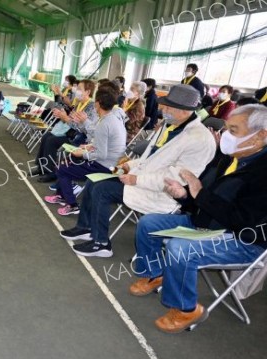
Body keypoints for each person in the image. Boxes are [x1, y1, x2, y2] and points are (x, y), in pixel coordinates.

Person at [129, 104, 267, 333]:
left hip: (242, 239)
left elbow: (243, 221)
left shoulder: (262, 173)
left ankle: (186, 309)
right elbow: (202, 195)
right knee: (149, 224)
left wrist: (199, 194)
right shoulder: (228, 157)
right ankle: (155, 274)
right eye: (226, 129)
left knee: (179, 248)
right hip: (206, 224)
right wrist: (185, 195)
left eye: (234, 130)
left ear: (261, 135)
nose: (225, 136)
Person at [60, 84, 216, 257]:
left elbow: (177, 180)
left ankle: (101, 243)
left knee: (102, 189)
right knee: (93, 180)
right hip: (140, 177)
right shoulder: (169, 125)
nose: (162, 109)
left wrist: (137, 180)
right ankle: (85, 227)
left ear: (185, 110)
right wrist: (128, 166)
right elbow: (149, 158)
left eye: (168, 106)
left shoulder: (200, 139)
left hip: (162, 193)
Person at [45, 86, 127, 216]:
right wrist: (89, 146)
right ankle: (62, 195)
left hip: (107, 166)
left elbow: (101, 154)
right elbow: (105, 143)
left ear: (98, 103)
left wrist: (82, 153)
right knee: (66, 163)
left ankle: (72, 205)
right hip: (114, 163)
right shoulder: (114, 118)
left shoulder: (105, 122)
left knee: (62, 169)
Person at [33, 79, 98, 183]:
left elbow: (83, 128)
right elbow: (73, 121)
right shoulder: (79, 104)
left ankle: (50, 172)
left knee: (51, 141)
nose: (77, 90)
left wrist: (66, 118)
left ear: (88, 92)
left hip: (80, 139)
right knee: (47, 136)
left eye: (80, 89)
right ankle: (41, 167)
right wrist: (63, 116)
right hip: (71, 133)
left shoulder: (91, 107)